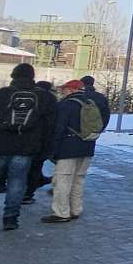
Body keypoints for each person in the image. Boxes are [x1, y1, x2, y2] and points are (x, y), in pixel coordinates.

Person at [0, 63, 57, 230]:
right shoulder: (46, 98)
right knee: (18, 182)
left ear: (13, 76)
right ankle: (10, 218)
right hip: (26, 148)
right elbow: (51, 127)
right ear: (32, 77)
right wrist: (46, 149)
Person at [43, 78, 109, 224]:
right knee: (78, 180)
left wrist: (52, 150)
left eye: (64, 90)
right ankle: (75, 209)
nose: (62, 92)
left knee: (63, 181)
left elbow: (58, 129)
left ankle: (61, 213)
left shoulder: (65, 105)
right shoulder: (91, 103)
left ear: (70, 90)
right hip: (87, 147)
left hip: (68, 148)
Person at [23, 80, 56, 204]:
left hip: (22, 138)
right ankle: (27, 194)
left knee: (20, 167)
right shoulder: (51, 99)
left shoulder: (27, 95)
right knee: (35, 167)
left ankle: (16, 192)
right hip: (41, 140)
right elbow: (53, 122)